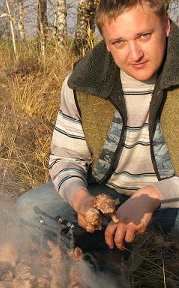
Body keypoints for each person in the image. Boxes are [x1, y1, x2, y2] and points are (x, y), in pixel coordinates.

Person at [16, 0, 179, 286]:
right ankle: (107, 253)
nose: (135, 54)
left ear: (166, 25)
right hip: (109, 193)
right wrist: (81, 200)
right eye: (119, 42)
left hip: (172, 199)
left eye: (144, 35)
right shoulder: (83, 82)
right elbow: (66, 157)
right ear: (106, 43)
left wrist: (154, 195)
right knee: (31, 209)